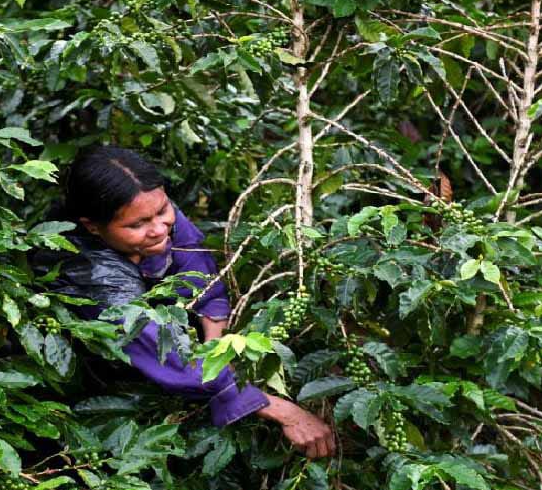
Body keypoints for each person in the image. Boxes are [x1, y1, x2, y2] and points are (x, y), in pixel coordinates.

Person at [37, 145, 336, 459]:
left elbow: (198, 270)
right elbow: (162, 349)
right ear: (92, 226)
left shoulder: (149, 207)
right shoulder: (95, 275)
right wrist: (278, 409)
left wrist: (215, 345)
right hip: (93, 386)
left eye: (163, 211)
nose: (158, 229)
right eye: (137, 225)